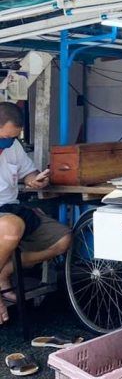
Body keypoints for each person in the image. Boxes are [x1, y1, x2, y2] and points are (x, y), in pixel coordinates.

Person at [0, 102, 71, 325]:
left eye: (14, 138)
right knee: (12, 227)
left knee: (63, 239)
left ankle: (3, 272)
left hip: (11, 207)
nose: (9, 142)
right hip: (8, 218)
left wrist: (37, 180)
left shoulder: (13, 147)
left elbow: (29, 173)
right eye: (5, 138)